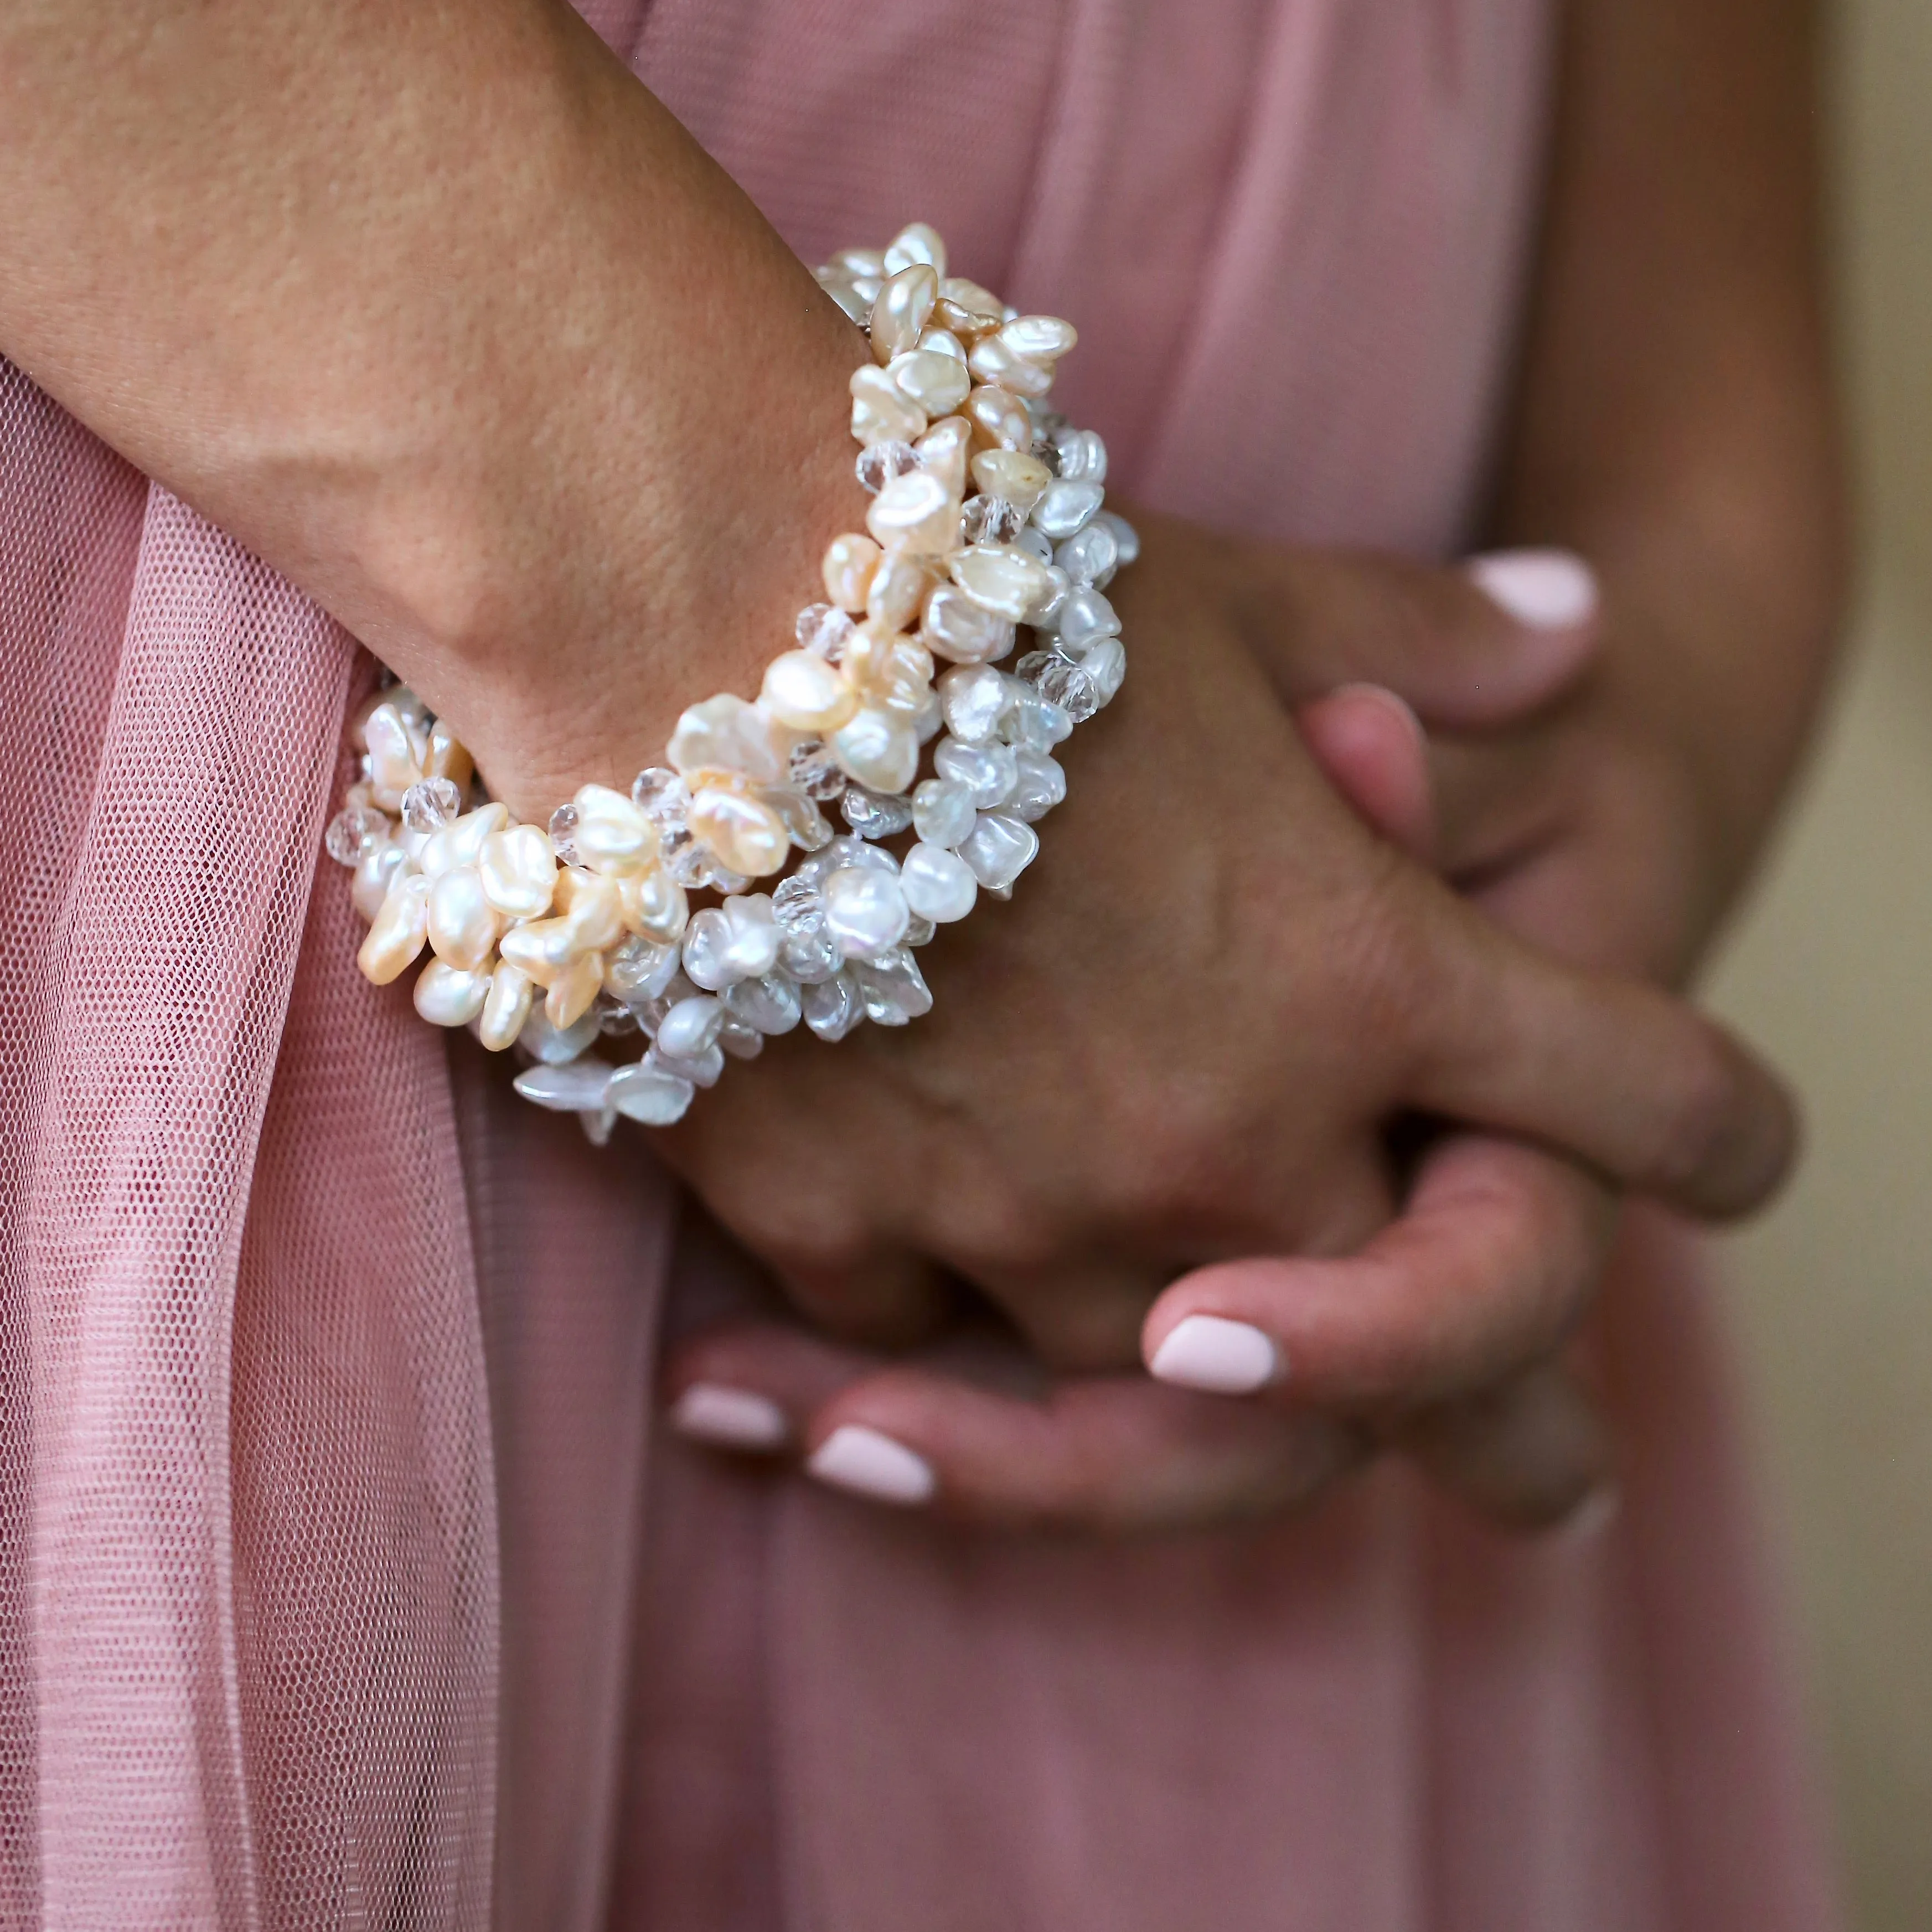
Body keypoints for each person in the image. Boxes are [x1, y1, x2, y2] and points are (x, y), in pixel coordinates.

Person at [0, 0, 1841, 1926]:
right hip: (230, 681)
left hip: (1272, 1080)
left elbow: (1695, 343)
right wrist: (747, 606)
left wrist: (1638, 676)